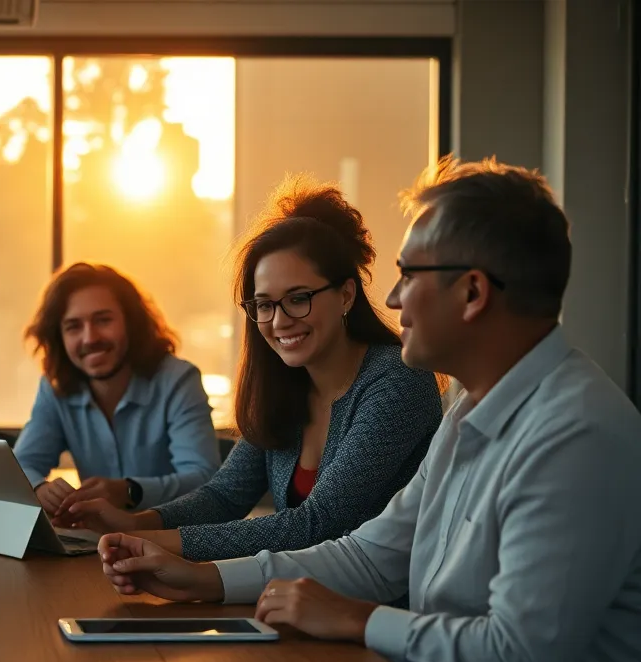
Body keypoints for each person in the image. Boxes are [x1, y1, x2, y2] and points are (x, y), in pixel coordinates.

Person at [96, 158, 641, 662]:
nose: (392, 294)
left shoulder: (575, 434)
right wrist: (203, 581)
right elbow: (372, 554)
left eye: (410, 274)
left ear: (473, 292)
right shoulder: (469, 407)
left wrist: (358, 620)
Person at [53, 181, 443, 561]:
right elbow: (224, 495)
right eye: (265, 305)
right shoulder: (287, 386)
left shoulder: (397, 380)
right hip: (294, 600)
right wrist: (133, 523)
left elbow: (317, 524)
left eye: (298, 299)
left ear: (345, 294)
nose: (279, 321)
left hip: (381, 613)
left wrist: (158, 542)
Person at [14, 263, 220, 515]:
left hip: (172, 540)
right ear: (59, 338)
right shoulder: (55, 387)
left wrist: (129, 491)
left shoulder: (178, 379)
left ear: (131, 323)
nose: (90, 338)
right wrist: (38, 488)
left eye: (103, 320)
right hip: (96, 541)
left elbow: (204, 479)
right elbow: (20, 464)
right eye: (73, 326)